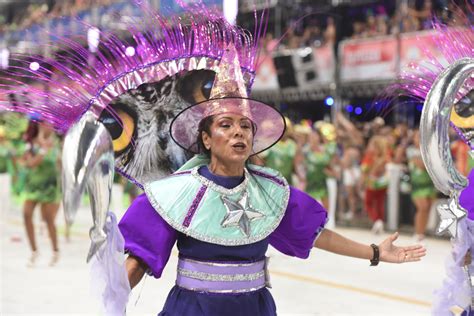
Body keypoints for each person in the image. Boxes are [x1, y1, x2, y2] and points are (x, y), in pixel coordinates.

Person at [118, 47, 425, 315]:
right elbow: (138, 259)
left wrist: (374, 251)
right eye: (226, 125)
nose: (239, 132)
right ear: (206, 139)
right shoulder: (175, 193)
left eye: (245, 126)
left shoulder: (269, 192)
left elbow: (316, 234)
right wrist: (110, 299)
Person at [21, 119, 61, 266]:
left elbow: (60, 164)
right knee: (26, 214)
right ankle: (34, 251)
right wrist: (43, 150)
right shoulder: (30, 143)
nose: (46, 125)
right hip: (33, 186)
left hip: (50, 186)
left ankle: (55, 251)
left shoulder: (56, 143)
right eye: (43, 122)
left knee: (48, 220)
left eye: (49, 122)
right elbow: (30, 163)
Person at [406, 130, 436, 243]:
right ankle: (417, 232)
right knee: (422, 207)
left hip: (429, 183)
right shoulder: (411, 151)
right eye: (417, 137)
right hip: (417, 184)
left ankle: (421, 233)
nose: (419, 139)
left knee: (427, 208)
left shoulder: (430, 150)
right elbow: (422, 165)